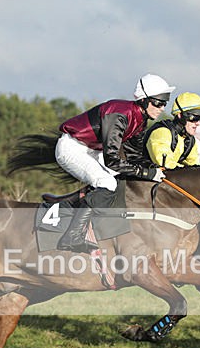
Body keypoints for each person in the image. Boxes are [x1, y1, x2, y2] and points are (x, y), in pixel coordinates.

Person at [55, 74, 174, 253]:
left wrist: (155, 169)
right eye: (158, 103)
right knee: (107, 182)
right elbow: (112, 160)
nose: (162, 108)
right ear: (143, 100)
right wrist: (147, 174)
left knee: (118, 181)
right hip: (71, 148)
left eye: (165, 103)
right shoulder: (120, 114)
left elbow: (134, 157)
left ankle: (96, 226)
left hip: (92, 150)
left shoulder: (141, 121)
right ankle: (72, 236)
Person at [144, 92, 200, 168]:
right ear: (180, 115)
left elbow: (195, 168)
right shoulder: (162, 132)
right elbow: (165, 164)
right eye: (194, 118)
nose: (198, 123)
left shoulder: (190, 140)